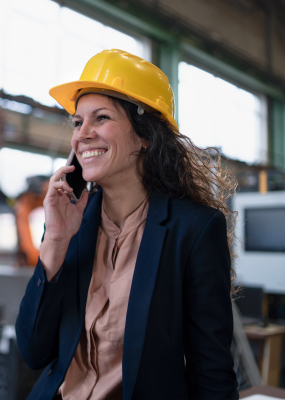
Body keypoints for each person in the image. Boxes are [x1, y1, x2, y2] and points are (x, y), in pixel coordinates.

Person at [15, 49, 239, 400]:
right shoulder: (69, 223)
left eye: (100, 118)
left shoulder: (194, 230)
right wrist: (55, 242)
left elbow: (211, 371)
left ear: (144, 135)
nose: (82, 134)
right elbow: (33, 353)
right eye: (77, 122)